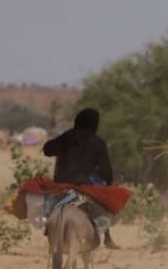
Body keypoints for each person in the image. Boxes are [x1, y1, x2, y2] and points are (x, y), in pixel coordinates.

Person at [42, 107, 118, 249]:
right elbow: (106, 171)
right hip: (84, 184)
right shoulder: (98, 142)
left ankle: (49, 226)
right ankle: (107, 237)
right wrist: (107, 182)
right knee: (106, 202)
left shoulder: (67, 136)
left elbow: (47, 149)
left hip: (60, 184)